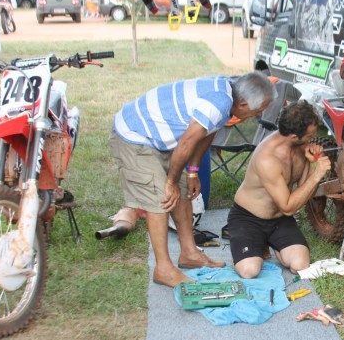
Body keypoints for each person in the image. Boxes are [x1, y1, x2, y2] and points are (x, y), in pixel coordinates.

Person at [109, 72, 276, 288]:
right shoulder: (219, 102)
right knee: (162, 197)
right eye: (258, 110)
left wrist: (192, 172)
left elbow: (206, 134)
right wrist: (169, 182)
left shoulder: (230, 94)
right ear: (243, 104)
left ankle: (189, 253)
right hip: (136, 134)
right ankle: (164, 269)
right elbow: (187, 142)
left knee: (183, 189)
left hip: (158, 136)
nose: (259, 114)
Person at [227, 100, 331, 279]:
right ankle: (254, 247)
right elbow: (289, 206)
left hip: (280, 220)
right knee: (250, 271)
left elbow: (305, 193)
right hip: (248, 219)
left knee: (300, 265)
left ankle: (270, 244)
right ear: (293, 136)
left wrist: (313, 164)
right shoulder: (267, 158)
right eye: (309, 136)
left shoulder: (300, 147)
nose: (312, 140)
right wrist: (317, 175)